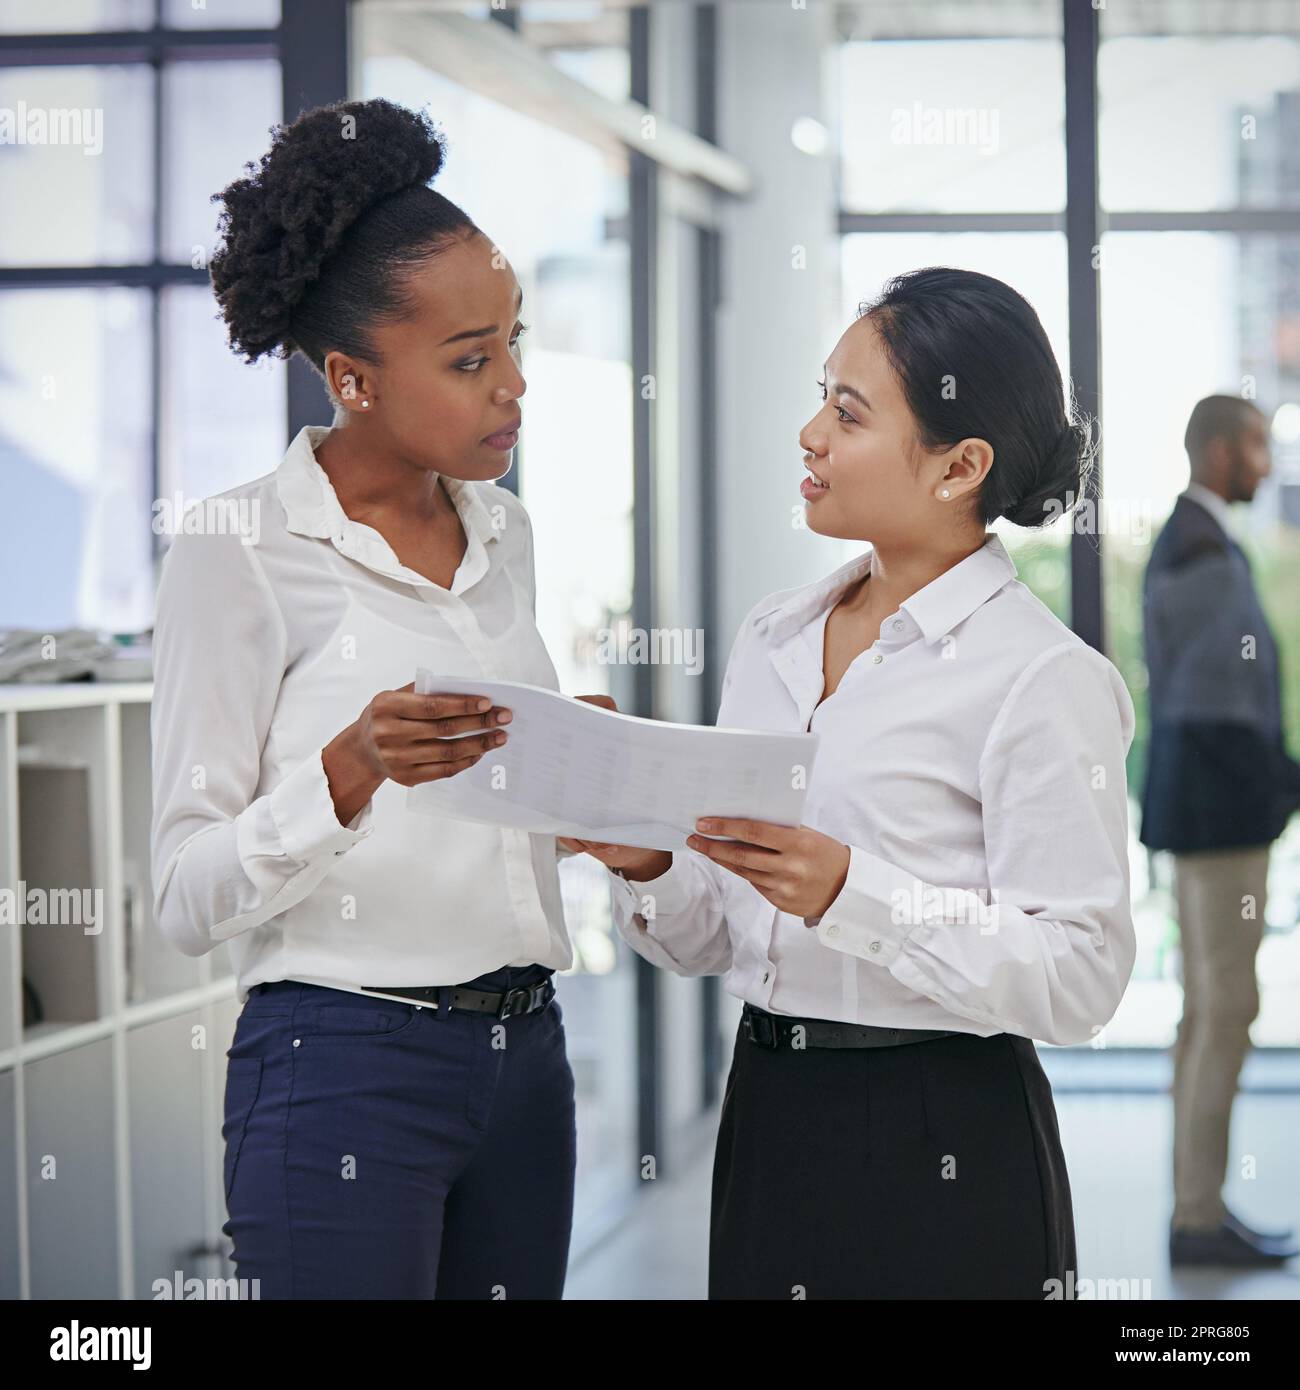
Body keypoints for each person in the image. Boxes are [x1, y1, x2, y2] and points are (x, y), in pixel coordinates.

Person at [566, 267, 1137, 1299]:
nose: (808, 434)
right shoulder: (774, 637)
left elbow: (1080, 978)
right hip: (769, 1107)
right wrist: (642, 848)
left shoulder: (1043, 679)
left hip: (943, 1129)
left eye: (847, 410)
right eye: (820, 396)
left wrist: (853, 893)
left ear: (959, 463)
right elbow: (711, 937)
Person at [151, 98, 597, 1298]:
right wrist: (348, 772)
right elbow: (184, 896)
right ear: (351, 376)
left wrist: (591, 774)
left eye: (510, 341)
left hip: (526, 1054)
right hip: (342, 1059)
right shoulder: (234, 546)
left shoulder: (505, 531)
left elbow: (490, 816)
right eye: (468, 360)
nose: (511, 385)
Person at [1140, 395, 1300, 1266]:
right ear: (1214, 449)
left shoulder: (1192, 540)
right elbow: (1216, 713)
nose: (1267, 464)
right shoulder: (1201, 549)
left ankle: (1197, 1210)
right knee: (1227, 1007)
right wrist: (1287, 785)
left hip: (1205, 818)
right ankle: (1197, 1218)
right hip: (1220, 825)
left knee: (1208, 1010)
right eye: (1256, 446)